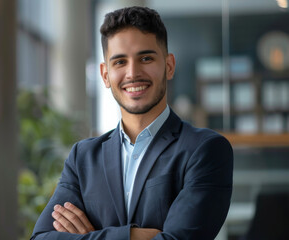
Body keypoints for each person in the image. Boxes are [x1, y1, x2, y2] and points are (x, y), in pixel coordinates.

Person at [31, 6, 233, 240]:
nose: (133, 73)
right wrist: (133, 236)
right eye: (119, 62)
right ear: (105, 75)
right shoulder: (83, 157)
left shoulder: (205, 149)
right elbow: (41, 238)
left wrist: (91, 236)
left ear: (169, 65)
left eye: (146, 58)